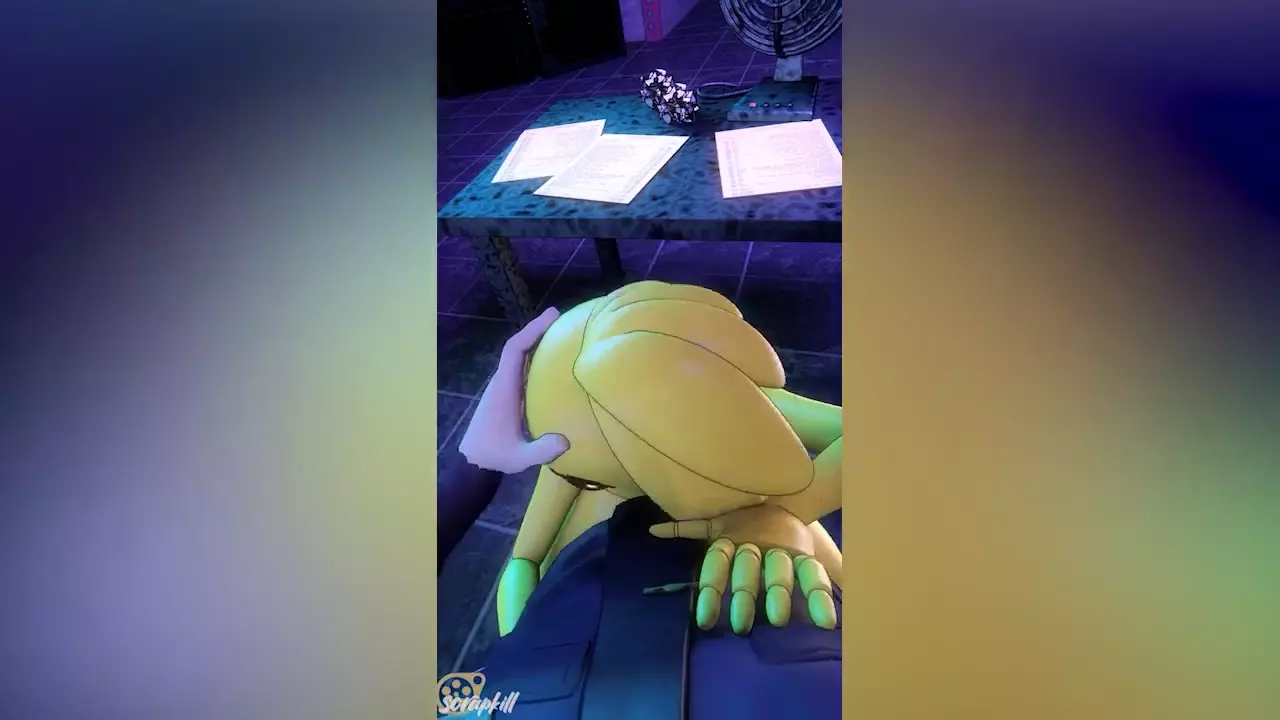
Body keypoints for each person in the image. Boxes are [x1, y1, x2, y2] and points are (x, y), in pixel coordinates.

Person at [440, 282, 843, 720]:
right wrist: (525, 643)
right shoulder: (572, 461)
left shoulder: (688, 422)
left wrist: (784, 516)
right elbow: (523, 562)